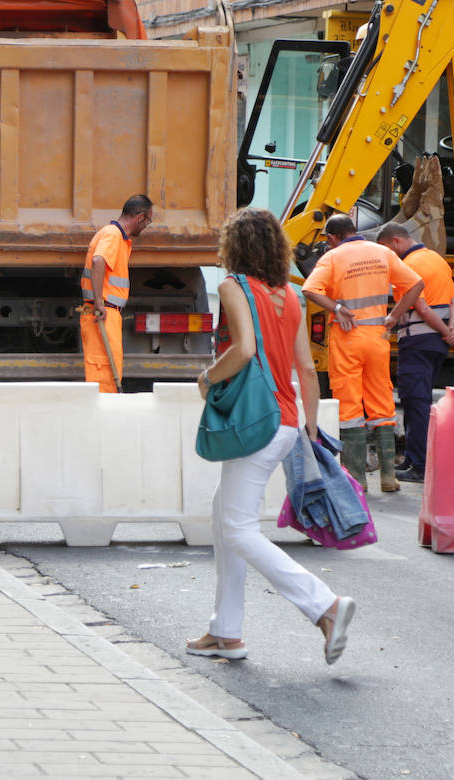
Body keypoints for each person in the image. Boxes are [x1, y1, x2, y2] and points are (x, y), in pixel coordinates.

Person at [185, 207, 356, 665]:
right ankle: (226, 631)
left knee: (236, 527)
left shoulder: (232, 287)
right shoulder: (291, 295)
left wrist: (207, 378)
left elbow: (243, 349)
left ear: (233, 248)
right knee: (226, 517)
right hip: (285, 421)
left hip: (254, 421)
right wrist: (311, 426)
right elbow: (305, 367)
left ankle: (325, 605)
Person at [302, 213, 423, 492]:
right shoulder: (383, 252)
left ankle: (356, 479)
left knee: (350, 407)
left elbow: (310, 289)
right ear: (353, 229)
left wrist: (337, 308)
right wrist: (394, 316)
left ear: (332, 237)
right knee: (382, 404)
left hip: (348, 337)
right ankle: (388, 477)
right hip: (378, 336)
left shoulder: (332, 258)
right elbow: (416, 284)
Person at [375, 222, 454, 484]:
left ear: (395, 242)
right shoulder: (436, 259)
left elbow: (423, 309)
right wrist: (449, 330)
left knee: (416, 404)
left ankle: (420, 465)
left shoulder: (408, 266)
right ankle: (413, 459)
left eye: (385, 250)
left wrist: (447, 333)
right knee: (420, 401)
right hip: (436, 344)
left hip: (417, 340)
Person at [80, 194, 154, 393]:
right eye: (148, 220)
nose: (147, 225)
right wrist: (98, 303)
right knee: (104, 373)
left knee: (109, 371)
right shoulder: (113, 235)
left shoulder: (117, 237)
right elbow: (98, 261)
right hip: (103, 313)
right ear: (140, 217)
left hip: (106, 313)